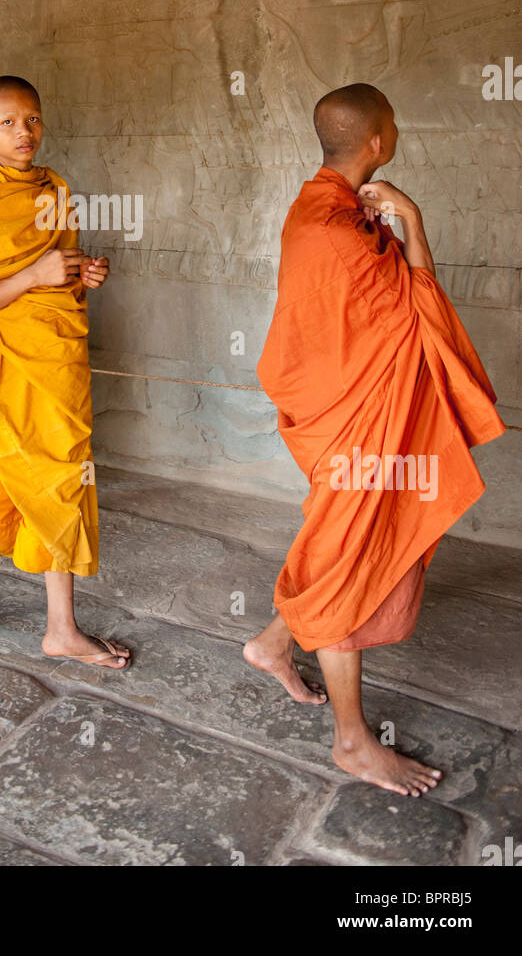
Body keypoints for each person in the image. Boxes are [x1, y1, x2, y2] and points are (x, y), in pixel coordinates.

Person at [244, 83, 505, 796]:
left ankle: (272, 643)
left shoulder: (317, 210)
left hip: (346, 415)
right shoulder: (342, 229)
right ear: (380, 142)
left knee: (344, 542)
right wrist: (413, 223)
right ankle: (353, 741)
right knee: (347, 554)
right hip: (358, 426)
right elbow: (422, 312)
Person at [0, 76, 130, 668]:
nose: (23, 133)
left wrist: (80, 273)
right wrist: (33, 278)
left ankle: (61, 627)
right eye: (8, 123)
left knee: (64, 474)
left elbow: (55, 273)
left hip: (55, 364)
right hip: (1, 367)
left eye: (32, 120)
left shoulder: (55, 189)